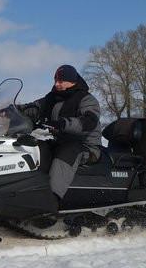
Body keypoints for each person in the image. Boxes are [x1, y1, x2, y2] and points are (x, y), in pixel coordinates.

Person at [17, 65, 102, 203]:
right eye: (55, 80)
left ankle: (52, 200)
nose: (57, 84)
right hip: (60, 141)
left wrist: (63, 124)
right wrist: (15, 109)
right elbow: (34, 108)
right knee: (37, 147)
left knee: (67, 151)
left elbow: (88, 122)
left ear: (72, 81)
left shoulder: (86, 99)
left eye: (61, 81)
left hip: (85, 146)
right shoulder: (52, 98)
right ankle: (26, 193)